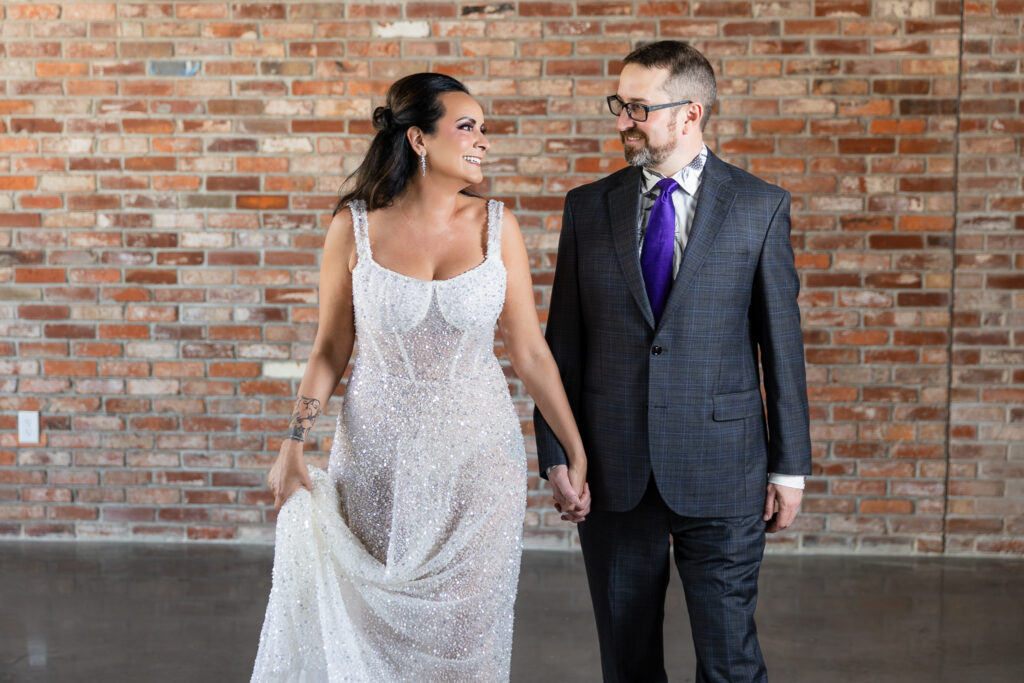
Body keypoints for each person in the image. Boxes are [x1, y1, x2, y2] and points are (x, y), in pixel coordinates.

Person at [250, 73, 589, 682]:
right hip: (377, 457)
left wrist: (573, 446)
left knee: (468, 633)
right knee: (373, 624)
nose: (483, 140)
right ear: (419, 139)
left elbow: (529, 351)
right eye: (467, 126)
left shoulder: (497, 225)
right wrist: (293, 441)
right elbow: (330, 348)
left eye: (484, 127)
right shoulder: (353, 227)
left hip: (480, 461)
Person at [534, 41, 811, 682]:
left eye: (637, 107)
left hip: (725, 470)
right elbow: (561, 347)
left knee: (730, 661)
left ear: (690, 113)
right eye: (619, 105)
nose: (622, 121)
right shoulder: (587, 207)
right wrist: (554, 454)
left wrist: (789, 467)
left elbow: (782, 345)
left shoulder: (758, 207)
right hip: (612, 471)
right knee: (627, 662)